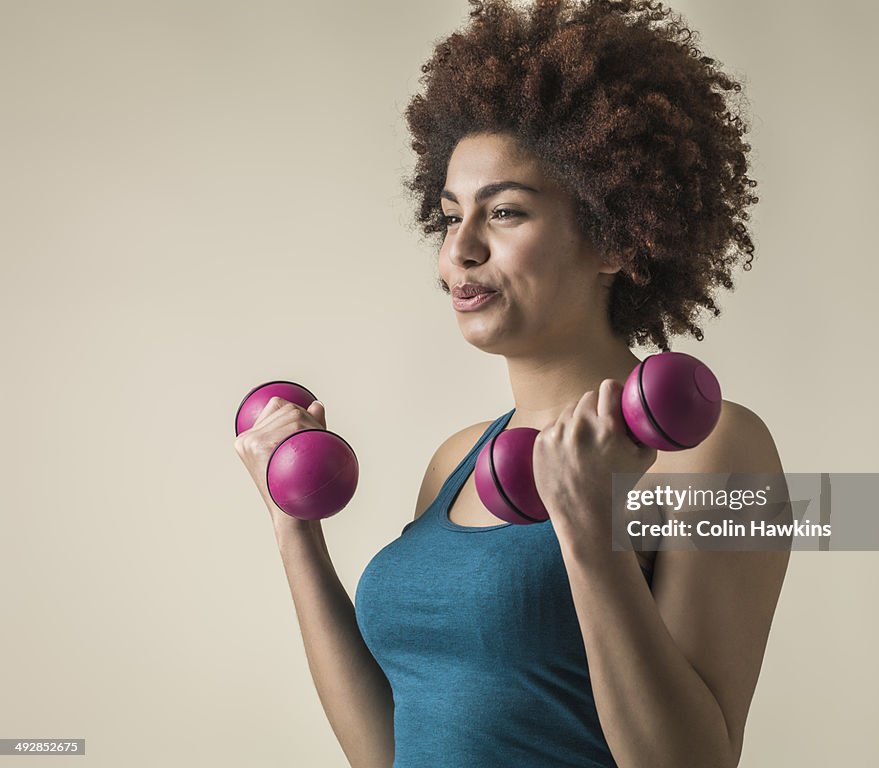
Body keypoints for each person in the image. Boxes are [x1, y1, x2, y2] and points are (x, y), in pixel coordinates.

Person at [234, 1, 790, 766]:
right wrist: (292, 529)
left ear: (612, 236)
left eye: (503, 212)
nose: (459, 249)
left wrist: (589, 530)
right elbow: (388, 750)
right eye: (449, 216)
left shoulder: (715, 447)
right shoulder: (455, 461)